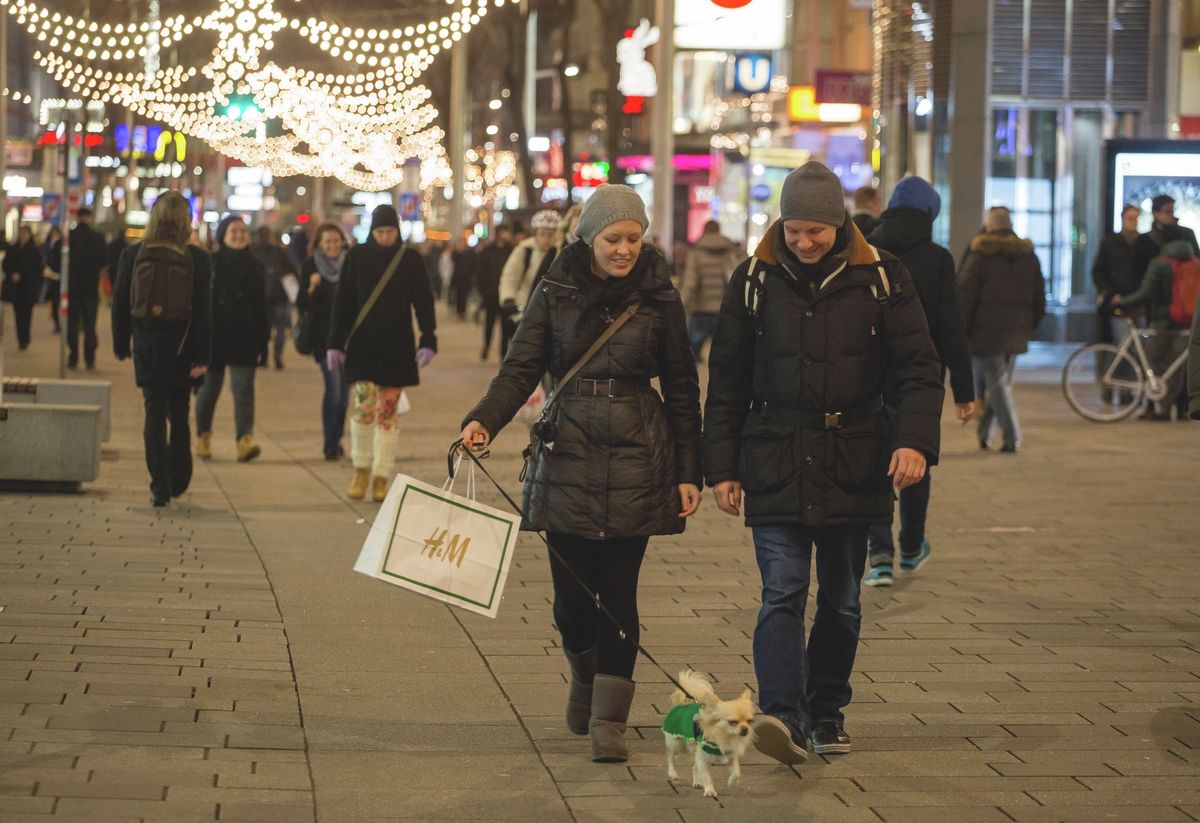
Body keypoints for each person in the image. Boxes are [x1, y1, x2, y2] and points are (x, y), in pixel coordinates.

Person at [702, 161, 943, 764]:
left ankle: (827, 710)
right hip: (776, 454)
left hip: (854, 458)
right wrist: (722, 467)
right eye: (794, 231)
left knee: (841, 599)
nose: (805, 243)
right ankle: (784, 714)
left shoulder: (884, 278)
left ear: (840, 224)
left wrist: (912, 441)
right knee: (782, 591)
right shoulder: (753, 278)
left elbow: (918, 368)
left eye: (817, 231)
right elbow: (726, 381)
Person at [460, 184, 701, 764]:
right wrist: (483, 421)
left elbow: (684, 389)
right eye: (613, 239)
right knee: (572, 600)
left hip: (639, 454)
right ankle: (584, 676)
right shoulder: (557, 289)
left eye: (634, 239)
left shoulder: (660, 297)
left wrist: (691, 470)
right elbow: (520, 368)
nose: (624, 250)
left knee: (619, 593)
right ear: (589, 237)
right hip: (566, 447)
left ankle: (609, 722)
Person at [864, 176, 975, 587]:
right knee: (915, 454)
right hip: (922, 375)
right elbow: (951, 327)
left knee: (873, 458)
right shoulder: (938, 258)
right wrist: (964, 391)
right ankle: (911, 546)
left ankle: (878, 555)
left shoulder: (868, 250)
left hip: (869, 375)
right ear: (930, 214)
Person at [327, 205, 437, 502]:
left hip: (397, 346)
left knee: (388, 412)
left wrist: (428, 338)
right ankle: (360, 469)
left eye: (389, 231)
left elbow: (423, 301)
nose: (385, 237)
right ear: (372, 231)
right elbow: (344, 301)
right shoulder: (357, 257)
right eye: (380, 232)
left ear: (396, 230)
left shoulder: (410, 258)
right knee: (363, 407)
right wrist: (335, 342)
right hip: (362, 345)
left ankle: (381, 475)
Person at [111, 191, 213, 507]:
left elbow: (120, 303)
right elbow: (204, 311)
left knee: (153, 411)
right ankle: (179, 476)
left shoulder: (134, 254)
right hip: (181, 346)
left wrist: (120, 342)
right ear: (186, 221)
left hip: (146, 344)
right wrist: (202, 356)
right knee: (179, 412)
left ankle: (159, 484)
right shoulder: (197, 258)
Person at [959, 206, 1046, 452]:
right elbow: (1040, 296)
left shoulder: (980, 256)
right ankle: (984, 433)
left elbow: (965, 297)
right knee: (1000, 383)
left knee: (997, 383)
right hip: (1017, 331)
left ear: (990, 225)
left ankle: (1011, 436)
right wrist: (1030, 325)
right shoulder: (1029, 256)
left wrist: (962, 329)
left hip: (985, 332)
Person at [194, 216, 270, 463]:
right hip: (214, 336)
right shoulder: (210, 263)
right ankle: (203, 435)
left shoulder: (256, 266)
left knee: (243, 390)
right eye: (233, 231)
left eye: (242, 231)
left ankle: (244, 440)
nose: (239, 235)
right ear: (223, 235)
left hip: (245, 337)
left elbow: (262, 307)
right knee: (208, 390)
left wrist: (264, 341)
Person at [1113, 239, 1195, 420]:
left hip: (1161, 320)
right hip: (1186, 321)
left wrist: (1122, 301)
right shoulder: (1193, 262)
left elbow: (1146, 293)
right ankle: (1173, 409)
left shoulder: (1159, 264)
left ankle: (1155, 408)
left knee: (1152, 362)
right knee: (1175, 368)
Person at [296, 222, 350, 459]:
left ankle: (336, 438)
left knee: (345, 394)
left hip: (348, 340)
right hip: (323, 339)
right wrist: (311, 287)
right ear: (319, 244)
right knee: (334, 389)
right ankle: (329, 443)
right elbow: (300, 304)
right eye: (327, 242)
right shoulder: (311, 266)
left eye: (336, 241)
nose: (332, 246)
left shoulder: (350, 265)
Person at [678, 220, 740, 359]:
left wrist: (680, 306)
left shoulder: (696, 253)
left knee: (691, 353)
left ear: (704, 231)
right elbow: (734, 278)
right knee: (725, 353)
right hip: (723, 308)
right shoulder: (729, 252)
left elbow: (690, 283)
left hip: (702, 309)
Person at [499, 209, 561, 333]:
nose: (546, 239)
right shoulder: (525, 249)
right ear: (535, 234)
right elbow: (510, 276)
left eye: (550, 234)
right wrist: (508, 299)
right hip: (525, 307)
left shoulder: (561, 252)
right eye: (542, 234)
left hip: (553, 311)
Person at [66, 207, 109, 369]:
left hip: (73, 287)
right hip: (90, 289)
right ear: (90, 218)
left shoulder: (70, 237)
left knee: (72, 324)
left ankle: (73, 357)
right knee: (90, 325)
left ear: (77, 217)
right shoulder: (98, 238)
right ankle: (89, 359)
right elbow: (104, 264)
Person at [251, 226, 298, 369]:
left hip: (262, 297)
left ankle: (264, 356)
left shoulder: (253, 252)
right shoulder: (280, 252)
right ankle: (277, 356)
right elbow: (292, 270)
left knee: (263, 328)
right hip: (279, 295)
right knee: (280, 328)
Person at [1132, 195, 1200, 286]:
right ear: (1156, 214)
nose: (1171, 215)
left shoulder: (1187, 234)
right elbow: (1138, 272)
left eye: (1173, 211)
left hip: (1183, 289)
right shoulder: (1144, 240)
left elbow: (1196, 261)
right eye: (1168, 212)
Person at [1, 226, 44, 350]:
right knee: (18, 314)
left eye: (25, 233)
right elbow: (6, 265)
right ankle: (21, 339)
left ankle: (25, 338)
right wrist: (12, 274)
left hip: (29, 288)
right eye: (21, 233)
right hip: (16, 289)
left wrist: (36, 287)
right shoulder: (13, 249)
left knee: (27, 314)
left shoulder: (34, 250)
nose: (23, 235)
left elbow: (38, 270)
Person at [477, 224, 515, 360]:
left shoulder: (511, 251)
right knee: (489, 323)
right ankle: (486, 347)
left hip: (505, 295)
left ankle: (503, 352)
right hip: (491, 294)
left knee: (505, 326)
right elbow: (481, 272)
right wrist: (483, 291)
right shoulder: (488, 251)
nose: (507, 235)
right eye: (505, 232)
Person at [447, 233, 478, 320]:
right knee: (458, 295)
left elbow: (472, 264)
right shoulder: (456, 253)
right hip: (457, 278)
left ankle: (463, 311)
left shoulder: (469, 253)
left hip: (466, 279)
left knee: (464, 296)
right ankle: (459, 311)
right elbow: (453, 260)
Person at [42, 227, 63, 332]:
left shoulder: (59, 246)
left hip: (59, 277)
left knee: (59, 302)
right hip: (53, 277)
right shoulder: (50, 244)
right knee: (55, 302)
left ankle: (59, 323)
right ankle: (57, 323)